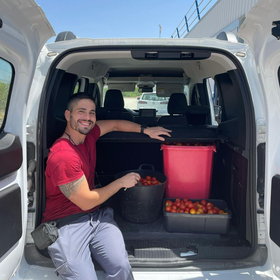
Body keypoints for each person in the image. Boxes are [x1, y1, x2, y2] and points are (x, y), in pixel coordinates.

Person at [42, 93, 171, 280]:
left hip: (97, 216)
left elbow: (116, 124)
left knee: (121, 267)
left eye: (92, 113)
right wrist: (120, 183)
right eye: (81, 112)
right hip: (67, 223)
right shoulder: (63, 156)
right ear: (67, 115)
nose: (87, 118)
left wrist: (145, 130)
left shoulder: (89, 134)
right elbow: (85, 202)